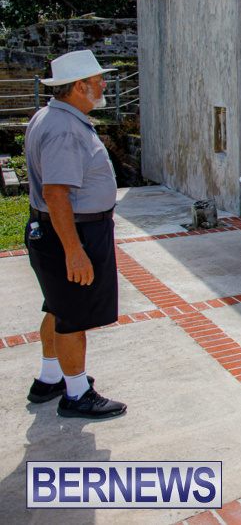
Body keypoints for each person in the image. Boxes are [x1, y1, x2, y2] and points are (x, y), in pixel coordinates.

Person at [23, 50, 126, 419]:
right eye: (98, 80)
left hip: (60, 229)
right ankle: (77, 393)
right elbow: (56, 193)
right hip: (73, 232)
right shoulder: (65, 129)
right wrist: (74, 251)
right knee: (73, 316)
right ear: (80, 87)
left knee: (58, 306)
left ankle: (50, 378)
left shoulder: (51, 115)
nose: (104, 85)